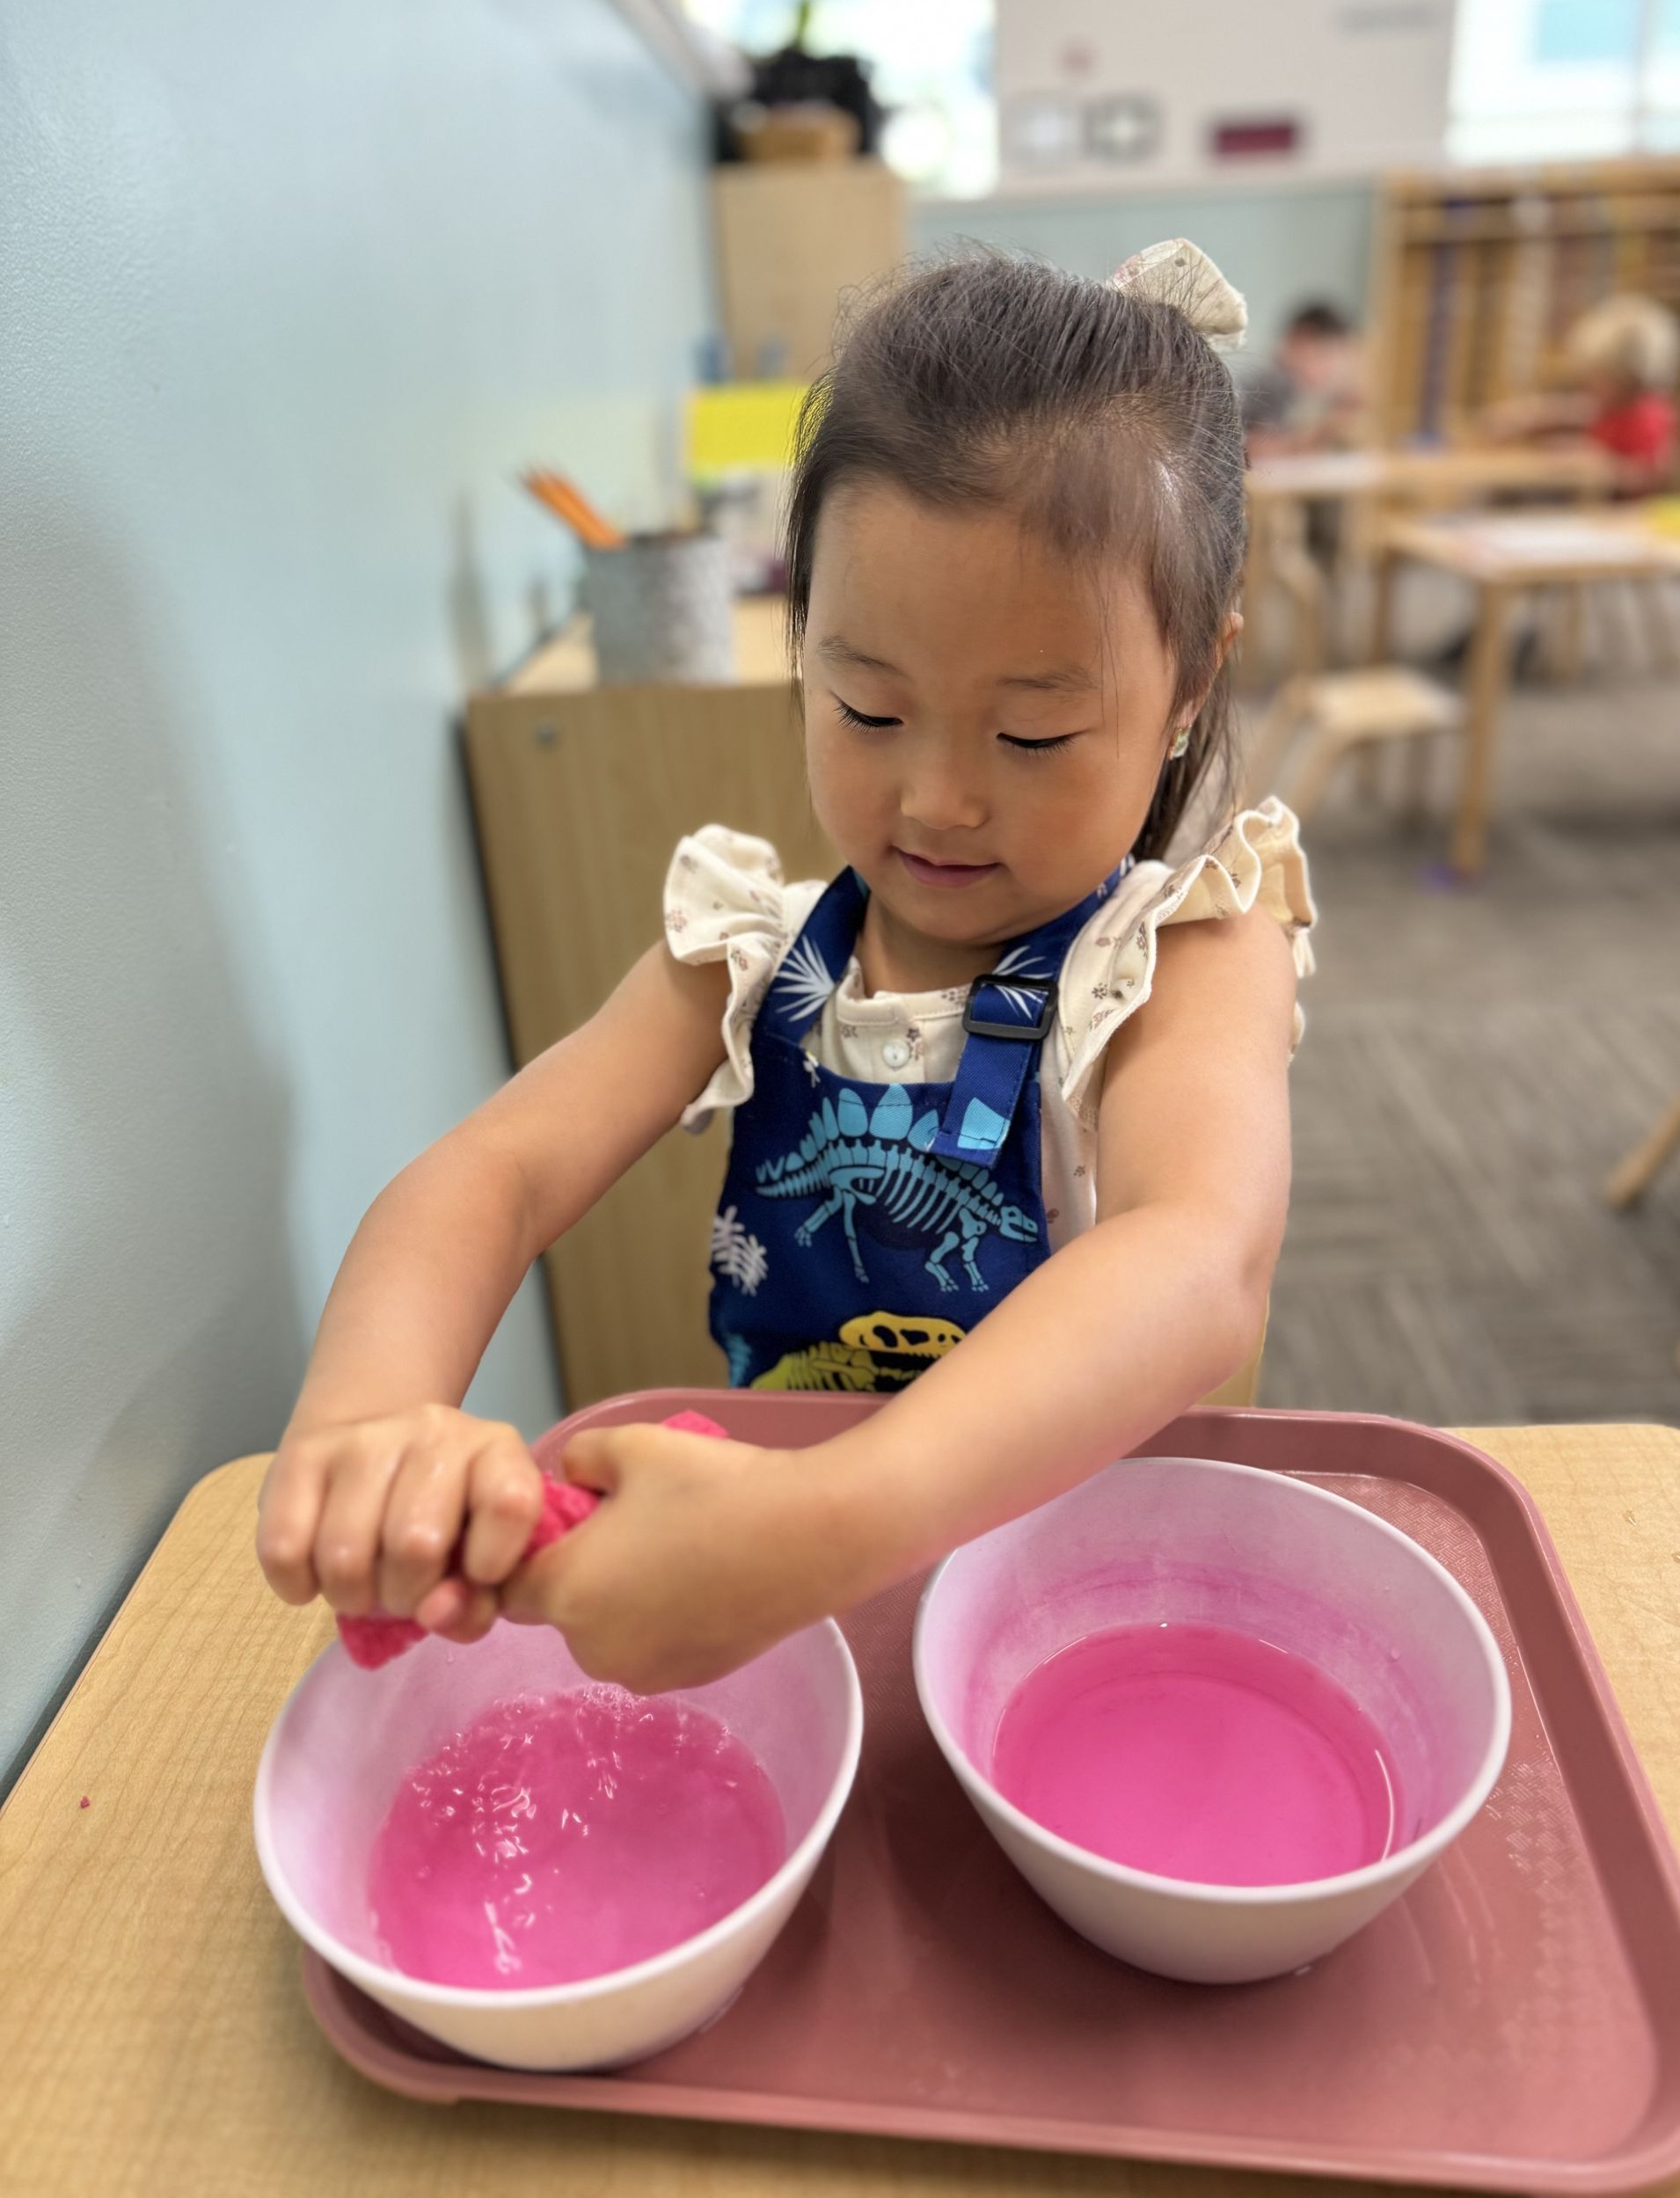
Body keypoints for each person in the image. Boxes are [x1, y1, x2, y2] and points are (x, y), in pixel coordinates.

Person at [255, 241, 1316, 1695]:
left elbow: (1198, 1262)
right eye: (868, 708)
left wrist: (825, 1521)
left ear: (1193, 681)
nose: (938, 800)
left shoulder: (1187, 954)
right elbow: (490, 1175)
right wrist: (368, 1414)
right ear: (802, 639)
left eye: (1030, 738)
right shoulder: (752, 957)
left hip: (1091, 1611)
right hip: (786, 1608)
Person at [1480, 293, 1680, 494]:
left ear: (1630, 378)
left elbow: (1649, 478)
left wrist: (1596, 463)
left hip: (1630, 518)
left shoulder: (1651, 414)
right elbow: (1571, 411)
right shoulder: (1611, 406)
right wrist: (1525, 417)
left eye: (1598, 378)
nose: (1588, 385)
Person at [1239, 301, 1367, 458]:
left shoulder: (1295, 386)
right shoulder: (1271, 381)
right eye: (1324, 356)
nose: (1330, 369)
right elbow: (1256, 453)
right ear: (1298, 342)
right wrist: (1325, 429)